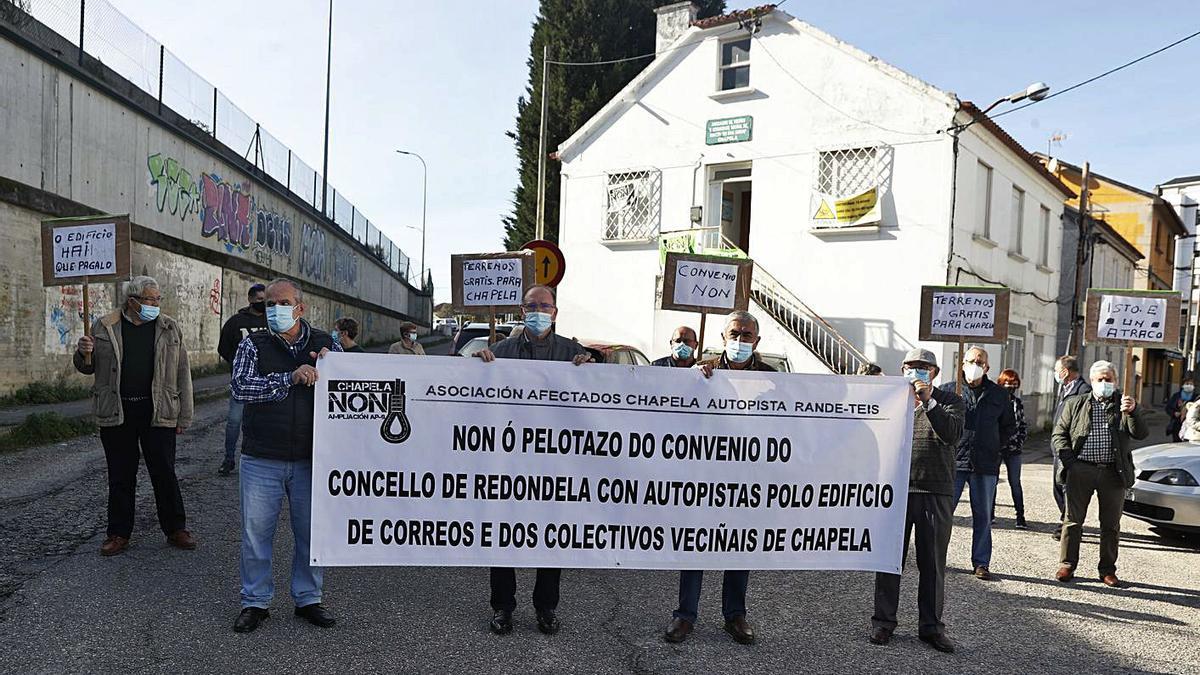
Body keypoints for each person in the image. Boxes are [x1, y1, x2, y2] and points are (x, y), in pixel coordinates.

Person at [475, 285, 592, 636]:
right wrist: (478, 367)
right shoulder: (500, 351)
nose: (538, 310)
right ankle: (503, 608)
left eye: (545, 305)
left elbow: (600, 392)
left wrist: (591, 367)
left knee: (549, 540)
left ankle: (545, 608)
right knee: (503, 536)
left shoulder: (574, 353)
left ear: (555, 312)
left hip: (555, 466)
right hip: (509, 463)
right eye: (532, 306)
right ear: (521, 311)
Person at [230, 278, 340, 634]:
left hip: (312, 458)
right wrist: (289, 378)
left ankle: (308, 598)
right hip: (263, 456)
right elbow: (241, 387)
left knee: (311, 533)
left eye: (283, 303)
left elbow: (352, 386)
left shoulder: (326, 344)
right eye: (269, 304)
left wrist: (331, 369)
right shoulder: (254, 344)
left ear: (300, 308)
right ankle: (255, 601)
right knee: (255, 534)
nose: (274, 310)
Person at [664, 310, 774, 646]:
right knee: (695, 543)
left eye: (747, 335)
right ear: (723, 337)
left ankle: (735, 615)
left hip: (746, 478)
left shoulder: (774, 378)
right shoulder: (704, 371)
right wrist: (695, 381)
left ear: (757, 340)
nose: (741, 341)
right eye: (735, 334)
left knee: (739, 546)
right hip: (705, 476)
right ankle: (685, 616)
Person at [73, 276, 195, 556]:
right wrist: (82, 353)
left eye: (158, 299)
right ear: (133, 301)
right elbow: (87, 368)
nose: (156, 304)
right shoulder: (105, 326)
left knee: (164, 471)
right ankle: (118, 533)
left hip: (158, 410)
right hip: (118, 411)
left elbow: (182, 372)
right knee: (120, 475)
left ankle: (176, 528)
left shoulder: (168, 327)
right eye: (151, 299)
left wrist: (183, 417)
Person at [871, 348, 963, 654]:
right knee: (888, 561)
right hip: (895, 491)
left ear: (935, 373)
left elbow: (950, 435)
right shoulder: (890, 401)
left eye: (923, 367)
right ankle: (883, 623)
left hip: (934, 491)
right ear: (901, 369)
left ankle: (932, 627)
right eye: (911, 367)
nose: (917, 372)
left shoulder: (951, 402)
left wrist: (929, 401)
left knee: (932, 564)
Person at [1053, 361, 1147, 587]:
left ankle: (1107, 570)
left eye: (1108, 379)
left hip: (1113, 472)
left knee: (1111, 524)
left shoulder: (1124, 404)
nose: (1104, 383)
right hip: (1081, 469)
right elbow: (1059, 435)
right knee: (1073, 521)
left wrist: (1132, 412)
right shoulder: (1076, 403)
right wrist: (1070, 463)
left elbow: (1141, 433)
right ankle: (1067, 564)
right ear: (1092, 381)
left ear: (1115, 381)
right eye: (1100, 380)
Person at [941, 347, 1015, 581]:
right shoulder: (948, 391)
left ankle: (981, 562)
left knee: (983, 515)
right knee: (944, 513)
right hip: (954, 461)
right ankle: (936, 557)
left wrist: (994, 447)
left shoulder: (999, 394)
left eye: (980, 362)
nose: (975, 365)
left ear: (987, 367)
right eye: (971, 360)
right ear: (962, 364)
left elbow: (1008, 427)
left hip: (985, 464)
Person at [216, 283, 267, 476]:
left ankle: (261, 461)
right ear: (251, 299)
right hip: (242, 383)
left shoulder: (271, 321)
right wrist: (237, 366)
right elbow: (223, 347)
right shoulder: (236, 322)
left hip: (265, 384)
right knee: (234, 421)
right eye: (260, 300)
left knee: (264, 423)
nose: (263, 303)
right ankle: (228, 460)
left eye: (266, 300)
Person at [1051, 356, 1091, 538]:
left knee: (1069, 490)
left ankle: (1069, 527)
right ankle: (1067, 522)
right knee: (1058, 488)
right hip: (1059, 448)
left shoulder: (1083, 392)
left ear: (1065, 372)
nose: (1055, 374)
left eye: (1056, 370)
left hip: (1071, 449)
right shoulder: (1066, 389)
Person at [993, 369, 1029, 529]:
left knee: (1015, 482)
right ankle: (990, 513)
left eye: (1014, 384)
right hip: (996, 447)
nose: (1011, 387)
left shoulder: (1017, 403)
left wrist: (1019, 441)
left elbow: (1022, 424)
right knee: (991, 481)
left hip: (1013, 449)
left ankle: (1020, 516)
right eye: (1008, 383)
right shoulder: (994, 401)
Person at [1164, 374, 1195, 443]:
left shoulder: (1196, 397)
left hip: (1190, 426)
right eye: (1187, 384)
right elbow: (1168, 408)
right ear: (1183, 385)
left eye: (1191, 384)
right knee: (1177, 443)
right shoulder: (1176, 396)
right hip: (1177, 424)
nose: (1189, 386)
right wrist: (1174, 413)